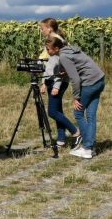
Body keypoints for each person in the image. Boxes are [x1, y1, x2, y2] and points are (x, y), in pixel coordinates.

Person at [45, 36, 105, 159]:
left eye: (48, 49)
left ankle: (86, 147)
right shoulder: (69, 49)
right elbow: (80, 65)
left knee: (78, 112)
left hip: (90, 83)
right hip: (99, 79)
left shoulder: (63, 56)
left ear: (56, 48)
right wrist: (67, 71)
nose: (47, 51)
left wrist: (76, 97)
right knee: (91, 115)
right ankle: (90, 148)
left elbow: (75, 79)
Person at [39, 18, 80, 148]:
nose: (41, 31)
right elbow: (50, 65)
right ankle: (61, 139)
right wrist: (44, 82)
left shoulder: (58, 43)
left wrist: (56, 85)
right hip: (52, 79)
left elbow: (61, 67)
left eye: (42, 28)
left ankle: (75, 132)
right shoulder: (51, 41)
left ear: (49, 28)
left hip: (59, 81)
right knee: (57, 110)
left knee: (52, 112)